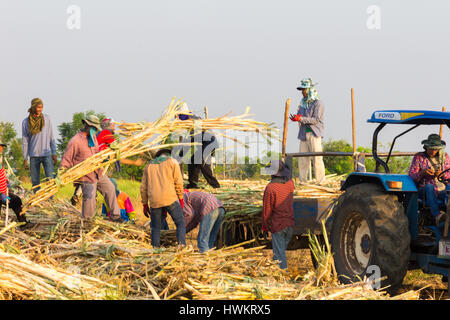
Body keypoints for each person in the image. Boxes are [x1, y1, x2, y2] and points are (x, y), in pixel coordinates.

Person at [60, 115, 122, 222]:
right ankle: (87, 222)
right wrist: (61, 173)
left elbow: (97, 151)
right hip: (86, 176)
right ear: (87, 125)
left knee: (110, 188)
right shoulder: (75, 141)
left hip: (98, 171)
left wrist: (104, 156)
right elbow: (67, 158)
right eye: (93, 128)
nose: (95, 130)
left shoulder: (92, 138)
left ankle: (116, 217)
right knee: (90, 198)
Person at [140, 148, 186, 247]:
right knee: (180, 223)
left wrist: (145, 204)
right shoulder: (173, 162)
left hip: (154, 201)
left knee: (155, 228)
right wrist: (181, 198)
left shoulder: (148, 166)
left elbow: (143, 187)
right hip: (170, 198)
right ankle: (181, 246)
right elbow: (179, 182)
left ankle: (155, 250)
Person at [289, 78, 325, 184]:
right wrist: (296, 117)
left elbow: (315, 120)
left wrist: (300, 118)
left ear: (310, 90)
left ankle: (320, 181)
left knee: (317, 158)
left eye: (304, 90)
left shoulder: (318, 103)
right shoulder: (302, 104)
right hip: (303, 134)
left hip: (314, 134)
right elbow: (300, 116)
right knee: (303, 159)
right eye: (302, 90)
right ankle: (303, 181)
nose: (302, 92)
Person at [409, 134, 450, 225]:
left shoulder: (444, 157)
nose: (433, 151)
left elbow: (448, 174)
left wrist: (442, 174)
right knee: (429, 186)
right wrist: (422, 173)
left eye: (435, 149)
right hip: (425, 190)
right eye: (431, 148)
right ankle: (437, 216)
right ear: (426, 147)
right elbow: (412, 176)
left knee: (449, 188)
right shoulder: (419, 157)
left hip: (441, 189)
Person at [262, 160, 295, 269]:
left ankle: (283, 277)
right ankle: (277, 271)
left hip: (278, 226)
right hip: (290, 225)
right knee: (279, 253)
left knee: (279, 256)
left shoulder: (270, 188)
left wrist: (265, 226)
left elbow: (267, 210)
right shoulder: (290, 184)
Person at [22, 98, 57, 192]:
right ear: (33, 107)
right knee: (35, 182)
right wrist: (25, 158)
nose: (40, 109)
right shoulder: (25, 122)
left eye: (42, 107)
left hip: (47, 154)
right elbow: (25, 141)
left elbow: (51, 136)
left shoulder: (47, 118)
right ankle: (37, 202)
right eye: (38, 107)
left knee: (51, 180)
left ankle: (50, 201)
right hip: (34, 155)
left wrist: (54, 153)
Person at [0, 138, 32, 229]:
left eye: (2, 147)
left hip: (3, 191)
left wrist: (6, 183)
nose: (1, 149)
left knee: (16, 200)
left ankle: (23, 223)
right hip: (1, 193)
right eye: (0, 147)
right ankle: (23, 223)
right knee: (15, 200)